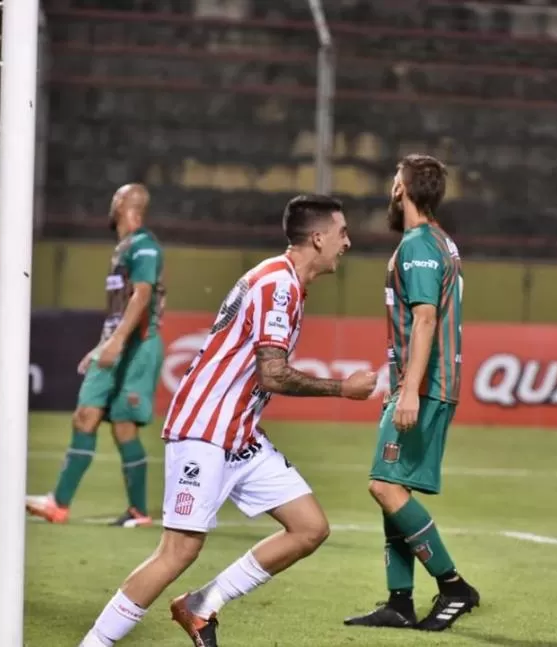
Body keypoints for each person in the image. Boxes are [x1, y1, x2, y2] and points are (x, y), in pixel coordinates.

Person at [78, 194, 377, 647]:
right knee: (178, 551)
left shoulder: (288, 282)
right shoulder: (278, 284)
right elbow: (272, 373)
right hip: (205, 430)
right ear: (318, 238)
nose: (348, 242)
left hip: (239, 433)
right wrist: (343, 389)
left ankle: (200, 605)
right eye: (342, 233)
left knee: (309, 527)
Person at [344, 154, 480, 632]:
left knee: (383, 486)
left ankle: (453, 586)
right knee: (390, 486)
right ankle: (399, 602)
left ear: (402, 189)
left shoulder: (420, 245)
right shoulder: (440, 241)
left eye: (392, 180)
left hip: (423, 387)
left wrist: (409, 390)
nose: (389, 188)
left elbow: (424, 319)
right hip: (423, 383)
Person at [27, 183, 166, 528]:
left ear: (121, 204)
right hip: (118, 342)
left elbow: (142, 296)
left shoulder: (144, 246)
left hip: (138, 346)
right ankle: (58, 504)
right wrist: (103, 344)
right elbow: (121, 308)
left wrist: (117, 341)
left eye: (113, 199)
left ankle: (137, 512)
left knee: (123, 426)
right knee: (86, 416)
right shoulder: (123, 248)